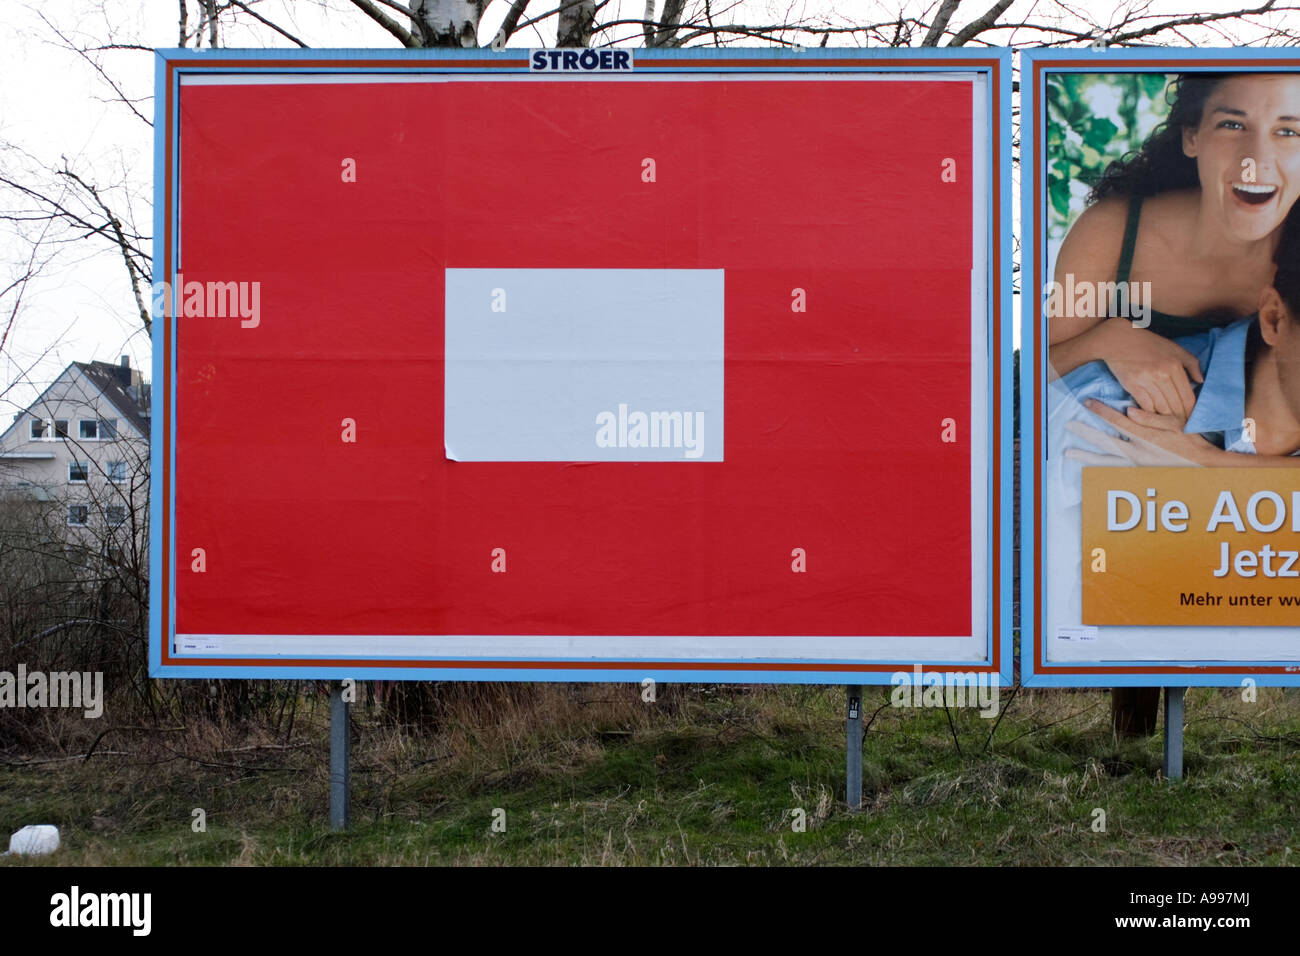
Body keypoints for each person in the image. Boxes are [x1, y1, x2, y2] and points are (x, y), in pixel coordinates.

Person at [1048, 72, 1300, 426]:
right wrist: (1109, 339)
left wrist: (1206, 461)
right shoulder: (1115, 230)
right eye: (1232, 124)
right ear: (1191, 137)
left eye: (1288, 132)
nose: (1255, 161)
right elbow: (1036, 368)